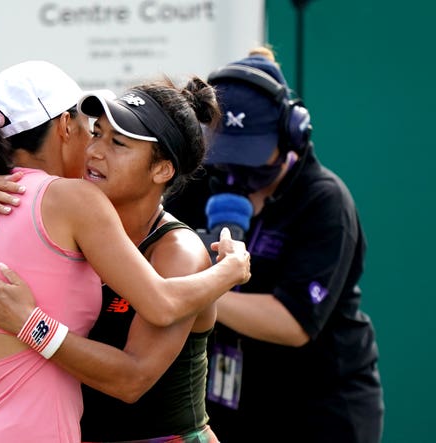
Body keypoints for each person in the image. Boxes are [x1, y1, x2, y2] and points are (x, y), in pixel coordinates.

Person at [0, 60, 250, 442]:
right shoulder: (66, 221)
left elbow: (133, 379)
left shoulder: (177, 249)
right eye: (96, 133)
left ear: (161, 170)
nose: (95, 151)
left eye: (118, 143)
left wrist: (31, 325)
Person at [165, 47, 384, 443]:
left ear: (291, 135)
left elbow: (294, 322)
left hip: (318, 405)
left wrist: (195, 291)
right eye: (225, 157)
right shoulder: (198, 182)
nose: (236, 173)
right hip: (227, 398)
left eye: (250, 159)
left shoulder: (325, 202)